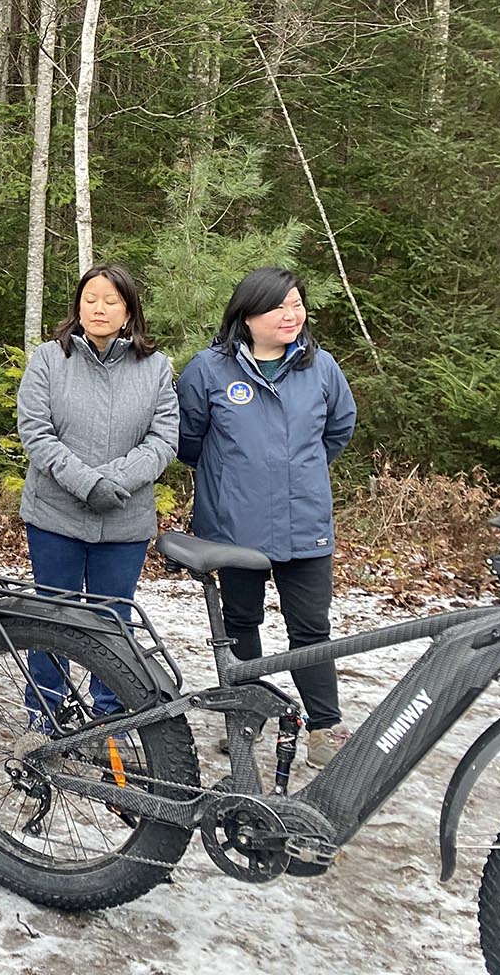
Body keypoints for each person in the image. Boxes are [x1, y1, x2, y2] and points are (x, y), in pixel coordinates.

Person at [178, 267, 357, 768]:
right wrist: (234, 476)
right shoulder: (209, 370)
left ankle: (324, 727)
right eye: (279, 306)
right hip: (234, 527)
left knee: (311, 630)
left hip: (305, 524)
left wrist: (292, 470)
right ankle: (246, 720)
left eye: (297, 304)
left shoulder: (321, 369)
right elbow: (188, 440)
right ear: (247, 314)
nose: (291, 315)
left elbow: (338, 431)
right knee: (239, 623)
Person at [16, 263, 177, 717]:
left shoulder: (155, 366)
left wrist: (116, 482)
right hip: (55, 516)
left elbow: (164, 439)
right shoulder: (50, 358)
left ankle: (112, 714)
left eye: (110, 301)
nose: (99, 308)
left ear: (128, 311)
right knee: (54, 618)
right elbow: (36, 432)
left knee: (113, 622)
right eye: (90, 299)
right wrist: (87, 483)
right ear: (78, 306)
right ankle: (46, 714)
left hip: (124, 520)